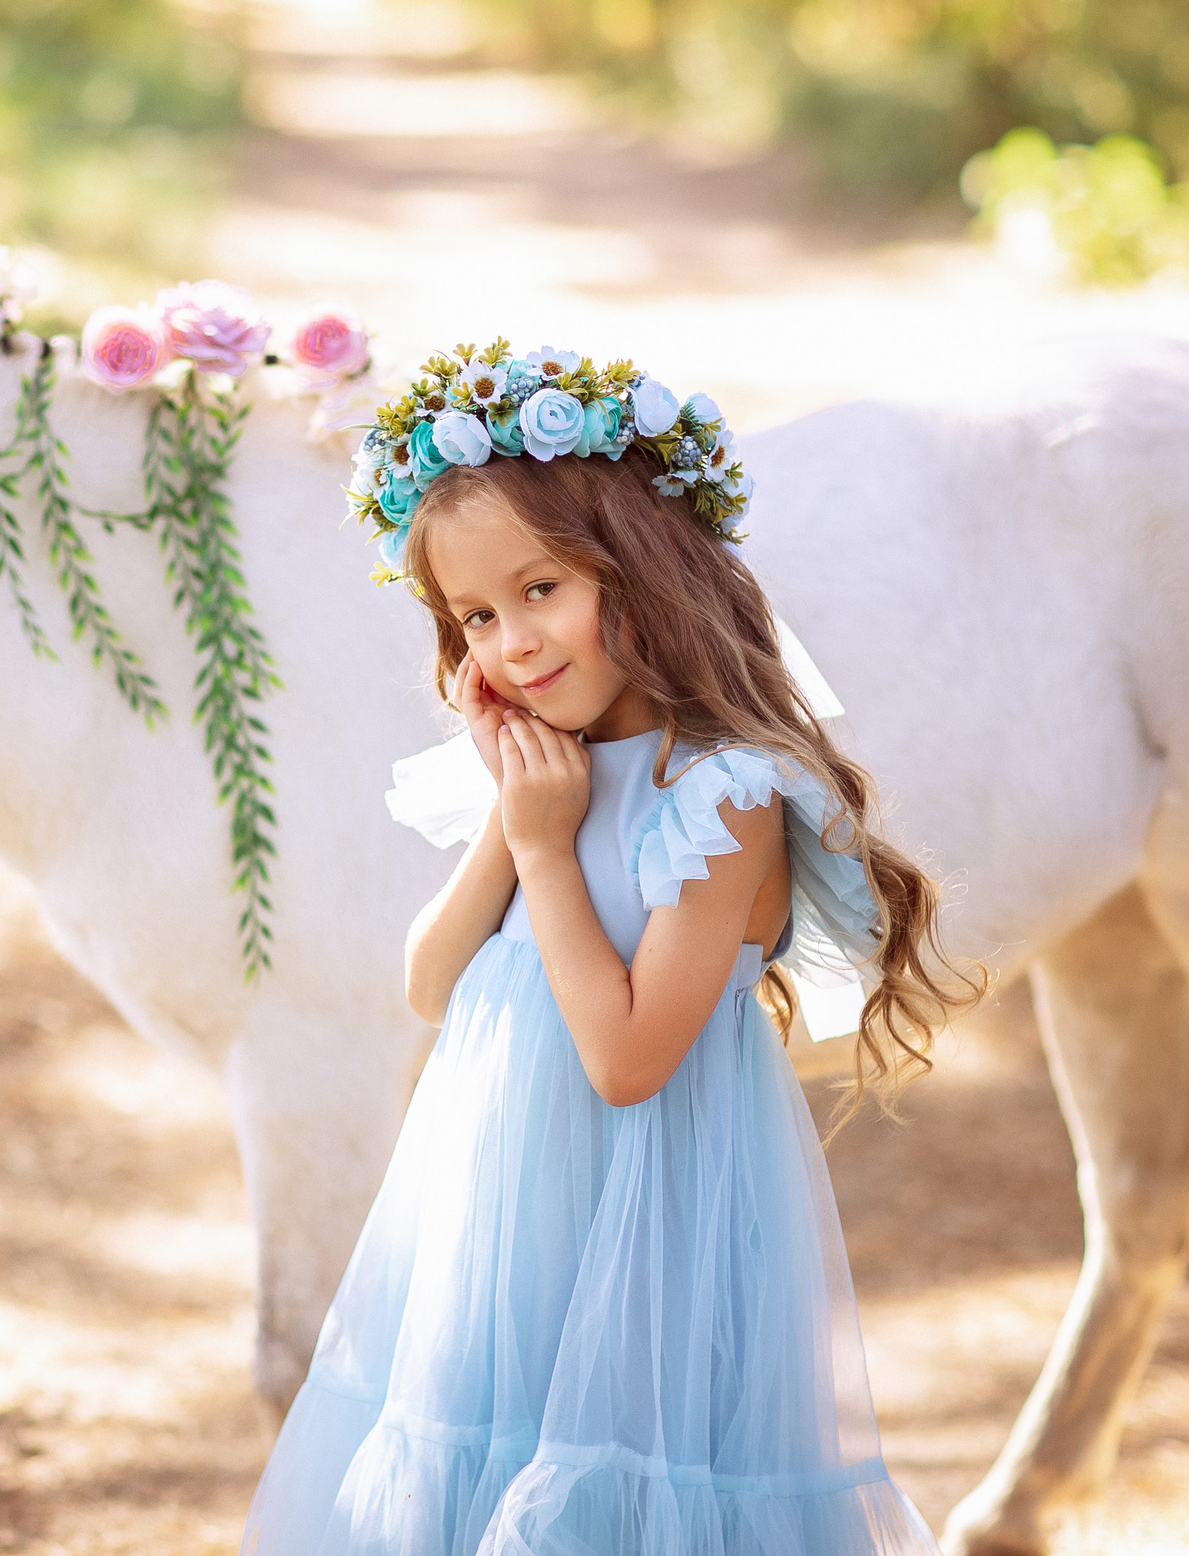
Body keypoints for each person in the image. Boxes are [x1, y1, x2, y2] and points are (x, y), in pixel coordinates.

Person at [243, 345, 979, 1555]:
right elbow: (428, 985)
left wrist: (544, 848)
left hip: (650, 1223)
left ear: (638, 573)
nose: (512, 642)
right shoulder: (542, 775)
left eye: (541, 590)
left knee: (627, 1493)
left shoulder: (726, 793)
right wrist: (512, 819)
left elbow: (630, 1058)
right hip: (505, 1212)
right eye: (476, 616)